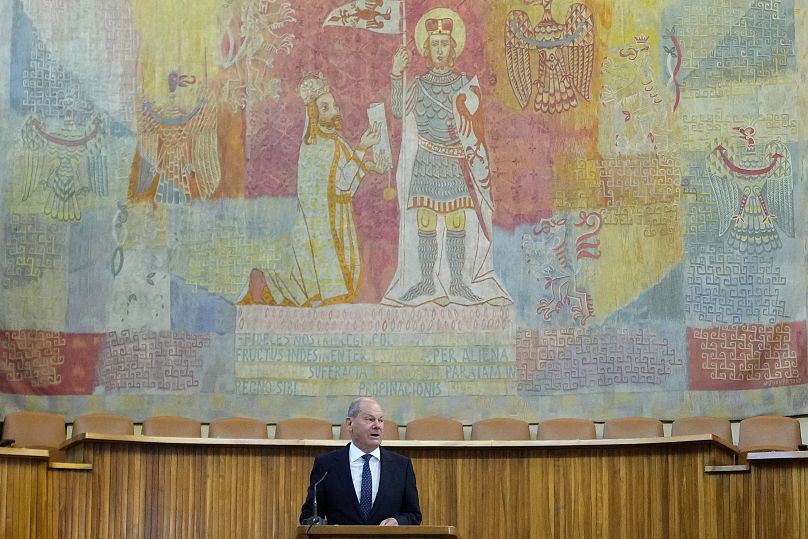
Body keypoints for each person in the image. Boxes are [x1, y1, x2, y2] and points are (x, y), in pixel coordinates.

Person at [382, 9, 511, 307]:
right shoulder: (419, 84)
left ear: (453, 48)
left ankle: (457, 283)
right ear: (427, 50)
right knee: (425, 222)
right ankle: (426, 282)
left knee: (456, 224)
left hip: (454, 164)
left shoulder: (465, 85)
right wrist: (394, 73)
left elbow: (475, 131)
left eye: (444, 44)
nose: (439, 49)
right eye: (434, 44)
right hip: (427, 163)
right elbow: (399, 111)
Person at [238, 72, 389, 306]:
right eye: (326, 108)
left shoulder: (335, 142)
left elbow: (346, 180)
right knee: (308, 285)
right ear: (314, 113)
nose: (335, 111)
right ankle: (263, 282)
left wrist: (370, 166)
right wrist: (362, 148)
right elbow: (341, 182)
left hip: (338, 218)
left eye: (334, 105)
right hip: (321, 226)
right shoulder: (315, 147)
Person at [299, 397, 421, 526]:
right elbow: (309, 515)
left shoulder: (402, 466)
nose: (377, 425)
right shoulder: (326, 465)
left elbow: (413, 515)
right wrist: (326, 527)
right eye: (370, 419)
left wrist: (398, 521)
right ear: (350, 424)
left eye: (380, 420)